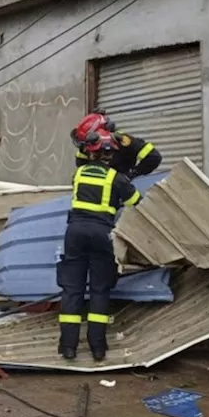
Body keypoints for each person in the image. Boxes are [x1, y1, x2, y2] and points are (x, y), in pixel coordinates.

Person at [58, 124, 141, 362]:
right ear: (110, 154)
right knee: (99, 290)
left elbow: (80, 166)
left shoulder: (79, 174)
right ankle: (97, 349)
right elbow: (136, 201)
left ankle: (68, 348)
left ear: (90, 152)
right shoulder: (116, 178)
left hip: (74, 233)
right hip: (102, 235)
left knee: (72, 290)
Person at [72, 112, 162, 178]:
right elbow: (81, 167)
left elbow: (153, 157)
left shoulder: (123, 141)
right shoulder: (84, 149)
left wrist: (132, 174)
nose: (86, 150)